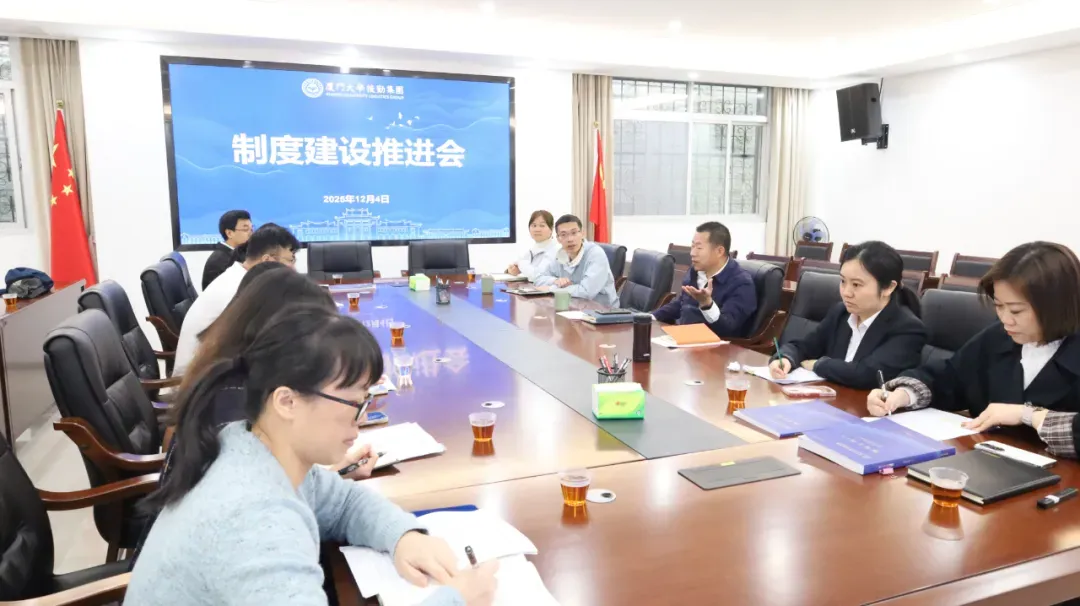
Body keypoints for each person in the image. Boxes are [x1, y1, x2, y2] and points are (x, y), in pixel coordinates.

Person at [126, 305, 498, 605]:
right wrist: (457, 599)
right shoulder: (256, 520)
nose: (362, 418)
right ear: (287, 402)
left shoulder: (254, 446)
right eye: (355, 402)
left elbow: (345, 503)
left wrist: (403, 537)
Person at [868, 241, 1080, 458]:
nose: (1005, 319)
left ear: (1057, 307)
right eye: (999, 306)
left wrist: (1030, 415)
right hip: (987, 461)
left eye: (1016, 311)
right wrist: (902, 395)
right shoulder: (999, 336)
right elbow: (949, 378)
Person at [770, 241, 926, 389]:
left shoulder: (908, 328)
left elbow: (868, 374)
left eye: (856, 284)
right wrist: (786, 358)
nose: (846, 292)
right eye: (843, 281)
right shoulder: (841, 313)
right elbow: (805, 346)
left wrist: (818, 365)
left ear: (888, 288)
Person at [174, 223, 299, 375]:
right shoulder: (239, 289)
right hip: (200, 380)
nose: (294, 269)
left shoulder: (239, 277)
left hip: (215, 370)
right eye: (290, 260)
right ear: (267, 260)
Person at [653, 222, 757, 338]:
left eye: (699, 248)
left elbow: (728, 327)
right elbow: (681, 303)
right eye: (692, 246)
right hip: (683, 337)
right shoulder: (695, 271)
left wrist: (708, 305)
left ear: (719, 251)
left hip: (714, 346)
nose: (692, 253)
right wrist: (652, 317)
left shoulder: (741, 283)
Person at [532, 214, 619, 307]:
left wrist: (552, 289)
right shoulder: (561, 255)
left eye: (574, 233)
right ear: (558, 239)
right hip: (573, 307)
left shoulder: (596, 254)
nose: (570, 239)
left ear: (582, 233)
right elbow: (538, 279)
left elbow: (586, 292)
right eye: (563, 235)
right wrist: (556, 281)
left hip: (603, 310)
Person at [202, 210, 252, 290]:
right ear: (229, 233)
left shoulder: (240, 252)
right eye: (245, 230)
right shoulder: (219, 260)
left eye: (251, 229)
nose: (251, 233)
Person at [506, 210, 559, 281]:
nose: (537, 229)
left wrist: (520, 264)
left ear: (551, 229)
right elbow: (522, 267)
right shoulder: (533, 250)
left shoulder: (556, 250)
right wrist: (512, 270)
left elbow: (538, 276)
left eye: (542, 225)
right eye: (534, 225)